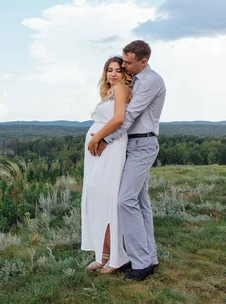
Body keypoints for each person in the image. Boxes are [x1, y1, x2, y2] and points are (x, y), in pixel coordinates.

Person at [90, 40, 166, 281]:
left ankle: (140, 262)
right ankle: (149, 257)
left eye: (128, 62)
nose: (123, 65)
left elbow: (130, 115)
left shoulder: (151, 81)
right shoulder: (135, 79)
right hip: (130, 144)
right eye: (123, 60)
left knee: (125, 200)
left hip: (141, 144)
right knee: (141, 202)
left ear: (144, 61)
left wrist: (104, 139)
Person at [81, 56, 133, 274]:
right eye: (109, 70)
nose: (113, 74)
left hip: (110, 147)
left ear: (124, 74)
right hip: (98, 152)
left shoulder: (121, 89)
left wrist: (96, 139)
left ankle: (116, 258)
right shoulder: (108, 92)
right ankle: (102, 255)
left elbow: (119, 119)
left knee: (107, 198)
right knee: (94, 198)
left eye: (118, 70)